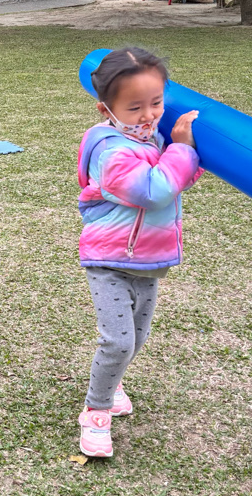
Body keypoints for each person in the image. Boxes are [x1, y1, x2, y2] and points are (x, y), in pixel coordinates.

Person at [75, 48, 202, 457]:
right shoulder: (111, 151)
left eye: (156, 103)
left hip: (147, 260)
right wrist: (182, 151)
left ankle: (110, 383)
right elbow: (153, 191)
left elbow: (176, 180)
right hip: (110, 260)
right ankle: (96, 412)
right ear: (106, 109)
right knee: (118, 342)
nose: (149, 115)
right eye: (134, 107)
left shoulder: (152, 138)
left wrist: (187, 158)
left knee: (136, 339)